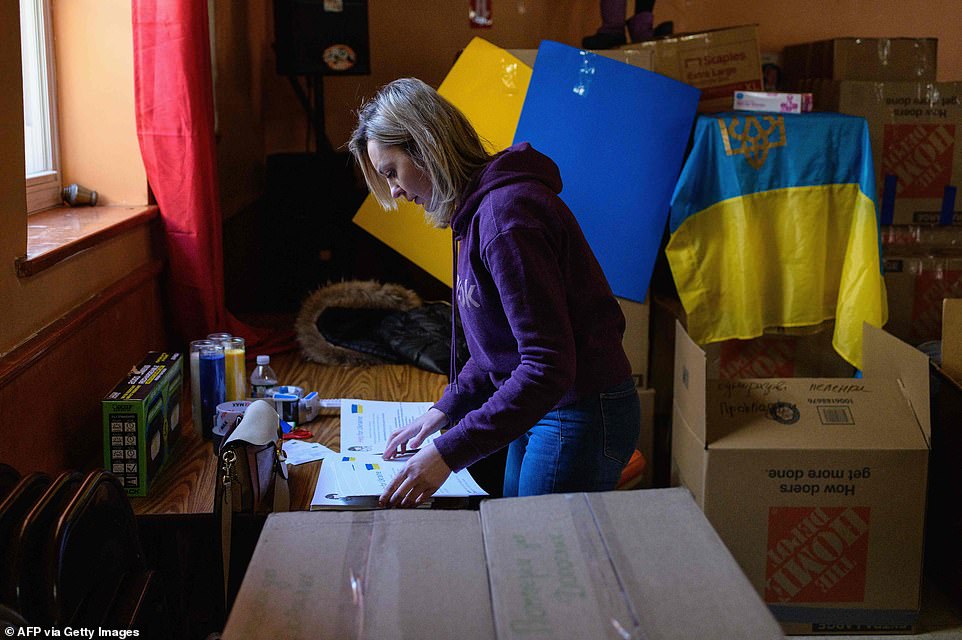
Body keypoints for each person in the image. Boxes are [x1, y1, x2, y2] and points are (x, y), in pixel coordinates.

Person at [347, 78, 640, 507]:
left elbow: (546, 366)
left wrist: (448, 452)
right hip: (548, 406)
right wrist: (443, 410)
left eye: (391, 172)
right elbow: (496, 355)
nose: (393, 190)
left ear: (426, 145)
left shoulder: (506, 219)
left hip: (579, 409)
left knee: (538, 561)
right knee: (517, 541)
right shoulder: (476, 215)